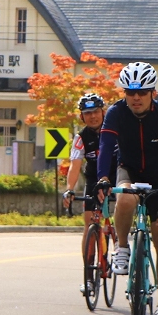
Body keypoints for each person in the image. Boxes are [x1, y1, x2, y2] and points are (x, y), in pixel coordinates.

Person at [95, 63, 158, 315]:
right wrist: (103, 177)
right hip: (129, 168)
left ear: (152, 93)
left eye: (142, 92)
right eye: (130, 92)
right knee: (125, 199)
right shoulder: (116, 112)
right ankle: (122, 247)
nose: (135, 98)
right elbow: (106, 147)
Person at [63, 93, 109, 225]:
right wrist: (69, 189)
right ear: (82, 116)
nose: (93, 116)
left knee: (121, 210)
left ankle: (119, 241)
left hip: (116, 176)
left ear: (103, 112)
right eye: (88, 113)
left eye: (96, 112)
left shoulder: (114, 131)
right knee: (89, 222)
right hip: (93, 178)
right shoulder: (81, 137)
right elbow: (75, 165)